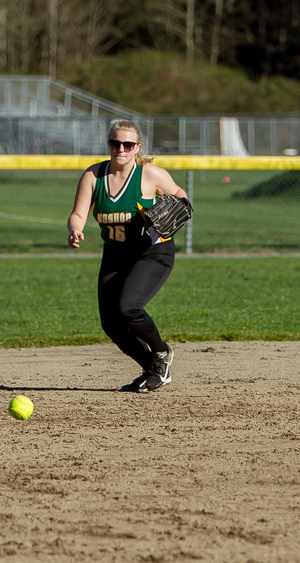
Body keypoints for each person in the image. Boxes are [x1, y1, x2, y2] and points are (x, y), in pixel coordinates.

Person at [67, 119, 189, 392]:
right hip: (115, 254)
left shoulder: (149, 174)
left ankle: (161, 353)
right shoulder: (94, 176)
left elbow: (181, 196)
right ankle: (153, 369)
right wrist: (75, 230)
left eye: (128, 144)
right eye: (115, 143)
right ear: (108, 144)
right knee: (110, 323)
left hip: (152, 251)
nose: (120, 149)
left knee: (128, 307)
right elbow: (78, 214)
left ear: (137, 147)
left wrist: (173, 209)